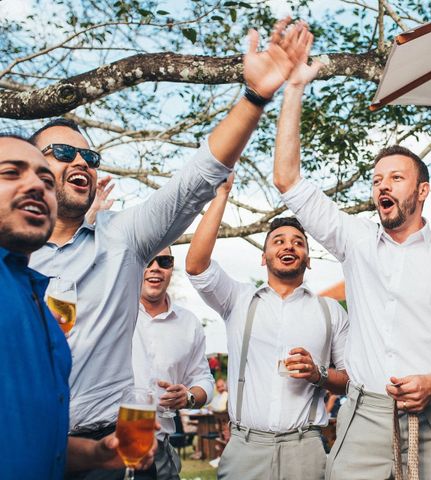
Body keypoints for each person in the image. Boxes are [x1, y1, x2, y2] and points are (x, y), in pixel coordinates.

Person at [27, 18, 307, 479]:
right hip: (28, 448)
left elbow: (193, 180)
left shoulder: (123, 239)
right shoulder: (12, 259)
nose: (81, 161)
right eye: (63, 154)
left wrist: (255, 97)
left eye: (90, 158)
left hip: (111, 452)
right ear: (34, 171)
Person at [272, 29, 431, 480]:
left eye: (396, 178)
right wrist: (293, 89)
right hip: (362, 415)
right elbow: (288, 180)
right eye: (377, 180)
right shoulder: (355, 240)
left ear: (422, 191)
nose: (382, 186)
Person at [0, 132, 154, 478]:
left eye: (43, 178)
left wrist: (95, 454)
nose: (36, 186)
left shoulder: (35, 298)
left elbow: (33, 439)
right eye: (11, 172)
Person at [185, 172, 350, 480]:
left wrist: (318, 374)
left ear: (308, 259)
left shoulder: (330, 312)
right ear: (264, 257)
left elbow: (353, 380)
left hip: (306, 448)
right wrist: (221, 197)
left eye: (298, 243)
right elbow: (196, 265)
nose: (288, 246)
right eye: (278, 241)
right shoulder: (237, 299)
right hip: (246, 447)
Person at [132, 246, 214, 480]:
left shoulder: (189, 324)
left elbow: (203, 380)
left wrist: (188, 396)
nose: (155, 268)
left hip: (159, 449)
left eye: (164, 261)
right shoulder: (115, 311)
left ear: (171, 269)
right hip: (109, 445)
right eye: (148, 260)